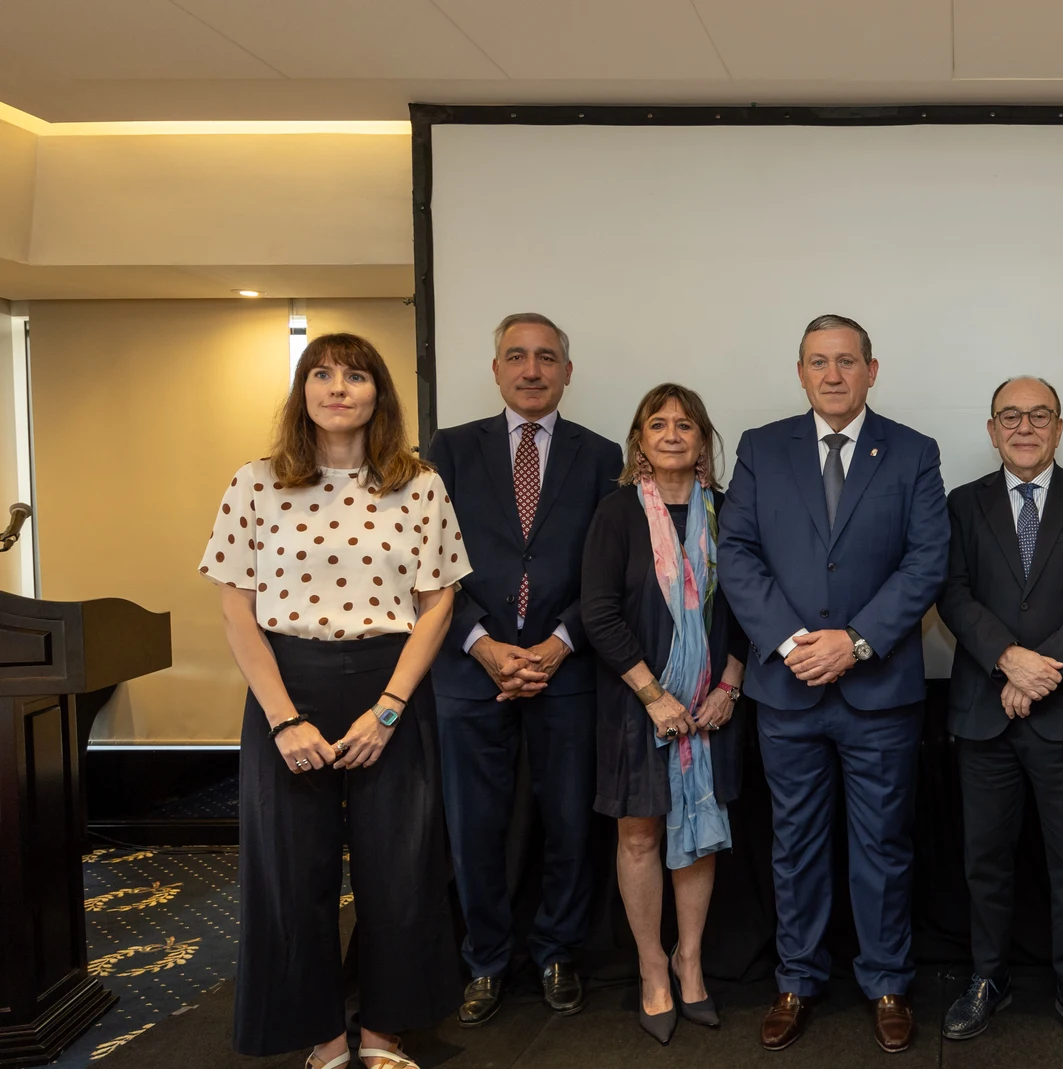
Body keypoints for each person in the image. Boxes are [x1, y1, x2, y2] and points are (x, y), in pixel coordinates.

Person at [201, 333, 469, 1069]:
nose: (338, 387)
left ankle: (385, 1030)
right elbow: (235, 607)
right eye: (322, 374)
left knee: (401, 868)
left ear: (379, 392)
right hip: (286, 684)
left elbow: (438, 601)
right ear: (303, 391)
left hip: (391, 683)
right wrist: (284, 718)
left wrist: (387, 710)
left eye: (355, 375)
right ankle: (322, 1035)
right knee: (292, 872)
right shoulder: (256, 481)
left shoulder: (418, 484)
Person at [719, 313, 949, 1054]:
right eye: (818, 361)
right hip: (787, 691)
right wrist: (792, 643)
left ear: (872, 370)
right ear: (800, 371)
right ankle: (797, 978)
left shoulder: (913, 452)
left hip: (878, 690)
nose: (833, 375)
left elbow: (926, 562)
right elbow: (740, 553)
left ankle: (887, 981)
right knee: (795, 842)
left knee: (883, 843)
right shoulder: (760, 448)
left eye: (847, 361)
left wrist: (852, 642)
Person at [425, 313, 622, 1024]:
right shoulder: (447, 451)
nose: (532, 369)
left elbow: (610, 570)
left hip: (567, 670)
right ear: (496, 368)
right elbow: (427, 563)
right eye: (517, 356)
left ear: (569, 371)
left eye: (547, 357)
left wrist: (560, 642)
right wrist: (481, 642)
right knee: (473, 826)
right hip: (469, 669)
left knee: (569, 821)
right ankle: (485, 958)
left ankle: (559, 950)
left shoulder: (603, 457)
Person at [936, 376, 1063, 1053]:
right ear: (991, 430)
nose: (1024, 426)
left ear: (1059, 425)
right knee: (984, 860)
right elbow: (952, 593)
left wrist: (1042, 671)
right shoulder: (962, 504)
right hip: (984, 713)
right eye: (1010, 416)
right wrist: (1007, 659)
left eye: (1038, 414)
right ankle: (989, 977)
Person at [579, 383, 747, 1045]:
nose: (673, 433)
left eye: (686, 424)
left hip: (713, 708)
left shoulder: (732, 514)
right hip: (635, 707)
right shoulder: (616, 514)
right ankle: (652, 965)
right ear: (640, 441)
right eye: (658, 424)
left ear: (703, 441)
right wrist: (655, 694)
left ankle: (691, 960)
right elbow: (599, 612)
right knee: (641, 836)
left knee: (699, 835)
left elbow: (750, 610)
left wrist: (729, 685)